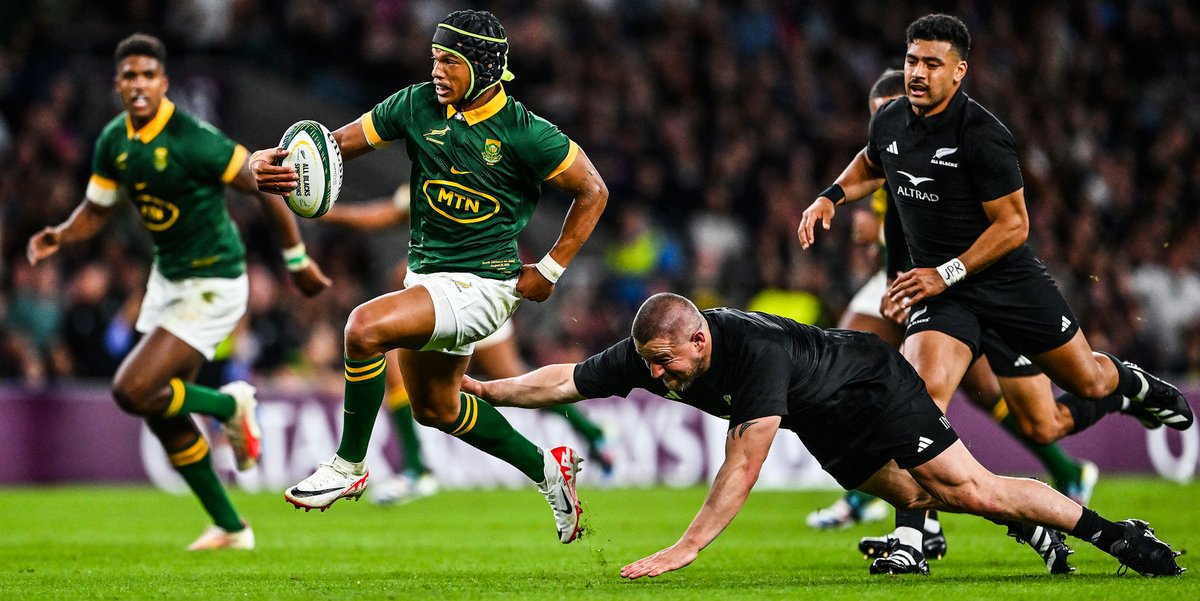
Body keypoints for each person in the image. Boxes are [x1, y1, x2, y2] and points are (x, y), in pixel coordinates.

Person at [797, 14, 1194, 571]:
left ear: (959, 72)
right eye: (913, 60)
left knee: (1072, 392)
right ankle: (911, 541)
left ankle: (1128, 383)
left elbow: (1014, 226)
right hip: (945, 298)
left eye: (932, 64)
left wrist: (944, 273)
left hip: (1008, 285)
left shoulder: (983, 135)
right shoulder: (889, 120)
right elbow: (870, 163)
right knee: (917, 398)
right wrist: (830, 197)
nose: (918, 72)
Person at [461, 293, 1185, 578]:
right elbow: (564, 378)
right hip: (827, 419)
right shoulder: (654, 350)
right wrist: (492, 389)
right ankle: (1031, 528)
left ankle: (1115, 534)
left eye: (666, 364)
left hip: (873, 388)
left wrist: (685, 547)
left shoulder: (753, 355)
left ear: (699, 338)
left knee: (970, 486)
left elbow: (742, 465)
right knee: (940, 497)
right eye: (651, 365)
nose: (659, 376)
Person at [249, 10, 607, 544]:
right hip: (428, 276)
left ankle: (348, 464)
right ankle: (549, 470)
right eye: (434, 58)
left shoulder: (527, 133)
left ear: (483, 67)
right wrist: (269, 161)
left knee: (362, 328)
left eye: (449, 61)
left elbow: (593, 191)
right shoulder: (416, 104)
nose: (436, 70)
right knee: (436, 408)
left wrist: (551, 269)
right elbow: (334, 144)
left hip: (485, 285)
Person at [25, 33, 331, 551]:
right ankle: (233, 528)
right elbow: (97, 211)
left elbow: (266, 182)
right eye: (129, 76)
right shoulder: (113, 143)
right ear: (118, 84)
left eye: (148, 74)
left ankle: (228, 408)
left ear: (164, 82)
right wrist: (62, 232)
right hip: (167, 280)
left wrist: (296, 258)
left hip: (214, 281)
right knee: (161, 410)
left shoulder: (195, 139)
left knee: (131, 389)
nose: (138, 84)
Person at [809, 69, 1102, 560]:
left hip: (964, 280)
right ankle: (903, 509)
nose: (886, 122)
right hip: (908, 280)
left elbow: (967, 225)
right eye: (876, 115)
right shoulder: (888, 151)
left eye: (892, 109)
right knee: (884, 371)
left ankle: (899, 506)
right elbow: (887, 213)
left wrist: (878, 235)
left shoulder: (953, 147)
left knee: (966, 392)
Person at [318, 185, 615, 504]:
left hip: (474, 293)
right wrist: (330, 211)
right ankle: (417, 467)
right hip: (445, 295)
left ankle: (589, 434)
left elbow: (388, 214)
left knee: (507, 379)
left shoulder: (469, 168)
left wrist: (330, 212)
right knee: (414, 377)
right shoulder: (435, 160)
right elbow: (388, 213)